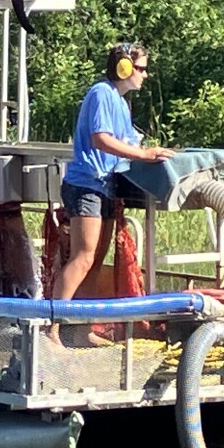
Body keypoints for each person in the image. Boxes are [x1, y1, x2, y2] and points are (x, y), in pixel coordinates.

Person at [51, 43, 175, 342]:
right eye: (142, 68)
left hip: (104, 185)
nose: (145, 75)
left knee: (95, 261)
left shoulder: (120, 101)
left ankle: (80, 329)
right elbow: (101, 139)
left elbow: (128, 143)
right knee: (82, 257)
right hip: (86, 185)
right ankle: (51, 329)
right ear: (125, 68)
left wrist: (152, 152)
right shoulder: (102, 93)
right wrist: (144, 155)